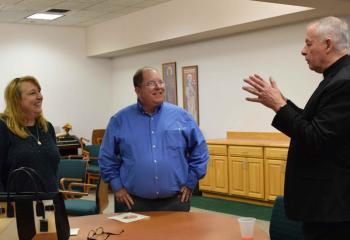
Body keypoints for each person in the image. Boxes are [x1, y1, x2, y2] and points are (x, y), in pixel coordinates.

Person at [242, 16, 350, 239]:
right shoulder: (336, 77)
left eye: (309, 44)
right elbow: (315, 125)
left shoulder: (344, 82)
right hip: (325, 206)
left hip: (331, 208)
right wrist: (283, 103)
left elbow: (315, 137)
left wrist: (280, 106)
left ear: (328, 45)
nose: (303, 51)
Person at [99, 67, 209, 212]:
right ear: (138, 91)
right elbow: (107, 157)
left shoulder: (181, 117)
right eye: (151, 83)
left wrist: (190, 182)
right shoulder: (120, 120)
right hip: (132, 201)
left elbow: (200, 151)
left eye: (160, 82)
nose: (159, 87)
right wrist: (117, 186)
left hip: (175, 200)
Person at [0, 76, 60, 192]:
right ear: (16, 99)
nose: (40, 97)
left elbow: (53, 171)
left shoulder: (47, 128)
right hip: (16, 206)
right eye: (33, 93)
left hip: (50, 203)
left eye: (40, 92)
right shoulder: (3, 127)